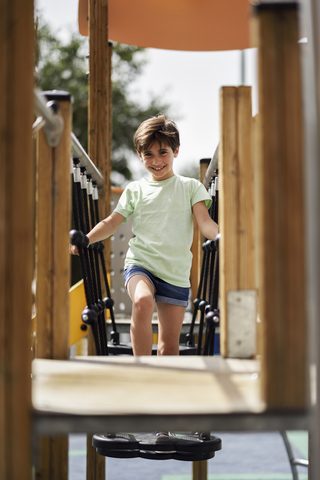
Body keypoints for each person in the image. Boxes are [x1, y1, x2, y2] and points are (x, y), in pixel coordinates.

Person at [70, 115, 218, 356]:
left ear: (176, 151)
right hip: (141, 265)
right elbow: (111, 223)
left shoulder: (190, 187)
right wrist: (87, 238)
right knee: (142, 301)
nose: (156, 160)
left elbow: (205, 223)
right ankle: (141, 368)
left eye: (163, 152)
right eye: (148, 154)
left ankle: (160, 386)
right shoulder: (135, 189)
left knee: (169, 347)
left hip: (175, 273)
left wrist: (222, 235)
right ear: (140, 156)